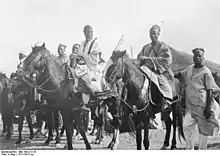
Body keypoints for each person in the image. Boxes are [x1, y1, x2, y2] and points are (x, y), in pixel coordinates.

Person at [175, 48, 220, 150]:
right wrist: (171, 75)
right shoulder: (189, 69)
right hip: (191, 107)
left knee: (203, 135)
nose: (198, 58)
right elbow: (180, 75)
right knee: (186, 126)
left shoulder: (206, 72)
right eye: (196, 56)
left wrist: (208, 108)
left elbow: (210, 91)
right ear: (193, 57)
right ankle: (190, 149)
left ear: (203, 58)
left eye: (200, 56)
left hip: (203, 107)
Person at [137, 24, 174, 119]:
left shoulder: (163, 46)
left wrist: (150, 60)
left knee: (164, 85)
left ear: (158, 34)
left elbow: (166, 59)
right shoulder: (146, 47)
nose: (153, 36)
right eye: (151, 34)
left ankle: (165, 102)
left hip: (159, 71)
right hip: (146, 70)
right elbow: (139, 56)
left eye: (154, 34)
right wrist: (142, 58)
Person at [74, 25, 103, 109]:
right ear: (84, 33)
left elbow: (95, 61)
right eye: (87, 32)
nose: (89, 34)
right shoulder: (83, 43)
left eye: (91, 32)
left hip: (92, 69)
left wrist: (84, 57)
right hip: (82, 67)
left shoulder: (95, 43)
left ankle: (93, 97)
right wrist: (78, 58)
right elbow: (79, 55)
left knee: (85, 80)